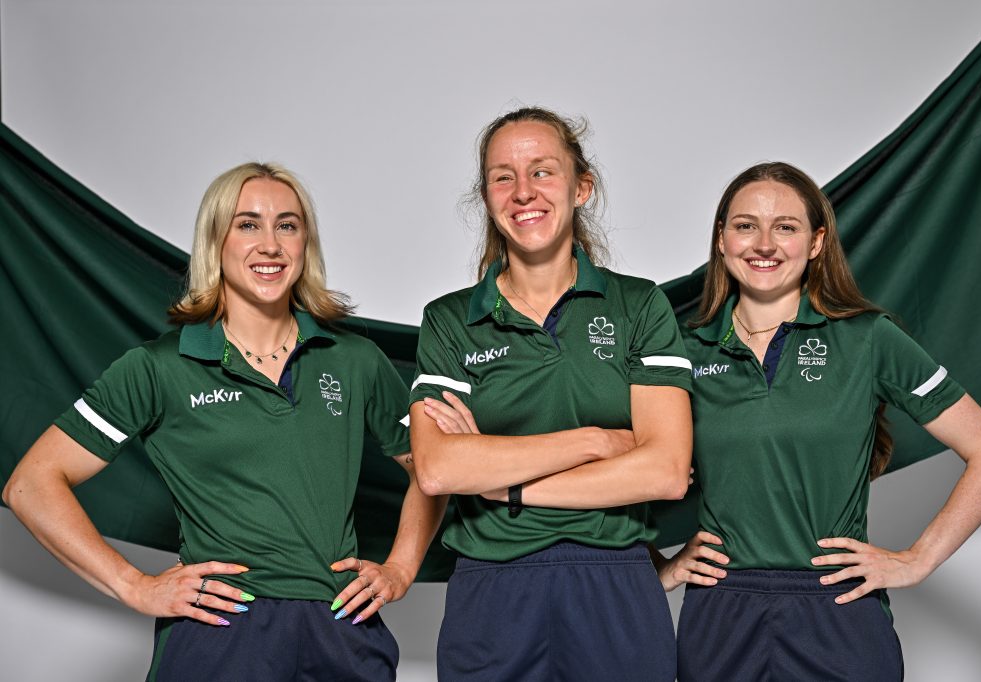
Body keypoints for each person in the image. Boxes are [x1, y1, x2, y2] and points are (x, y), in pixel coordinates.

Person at [3, 162, 447, 681]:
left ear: (306, 243)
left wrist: (400, 567)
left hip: (341, 627)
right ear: (215, 241)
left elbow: (434, 468)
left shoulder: (355, 360)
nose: (270, 244)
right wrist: (133, 584)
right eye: (247, 224)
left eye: (287, 225)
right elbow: (31, 484)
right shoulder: (159, 367)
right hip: (222, 629)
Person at [653, 161, 981, 681]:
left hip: (837, 606)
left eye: (786, 226)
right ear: (721, 238)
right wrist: (658, 567)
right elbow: (612, 459)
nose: (764, 243)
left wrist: (917, 559)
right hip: (721, 611)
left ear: (817, 241)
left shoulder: (868, 338)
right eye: (745, 225)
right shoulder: (681, 352)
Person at [408, 107, 693, 682]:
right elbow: (437, 470)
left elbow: (664, 471)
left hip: (614, 579)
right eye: (502, 177)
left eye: (542, 171)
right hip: (491, 588)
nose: (522, 192)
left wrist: (499, 480)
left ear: (581, 186)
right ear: (486, 197)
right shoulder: (448, 321)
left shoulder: (639, 306)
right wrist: (593, 441)